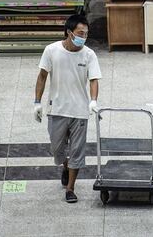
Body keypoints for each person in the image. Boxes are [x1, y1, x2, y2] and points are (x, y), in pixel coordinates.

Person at [33, 14, 102, 203]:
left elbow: (94, 79)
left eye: (86, 34)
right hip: (57, 109)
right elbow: (42, 76)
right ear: (69, 32)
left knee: (77, 151)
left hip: (79, 112)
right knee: (58, 149)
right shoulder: (51, 50)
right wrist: (37, 102)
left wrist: (93, 100)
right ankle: (65, 166)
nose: (84, 37)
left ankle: (70, 188)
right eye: (80, 33)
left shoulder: (89, 54)